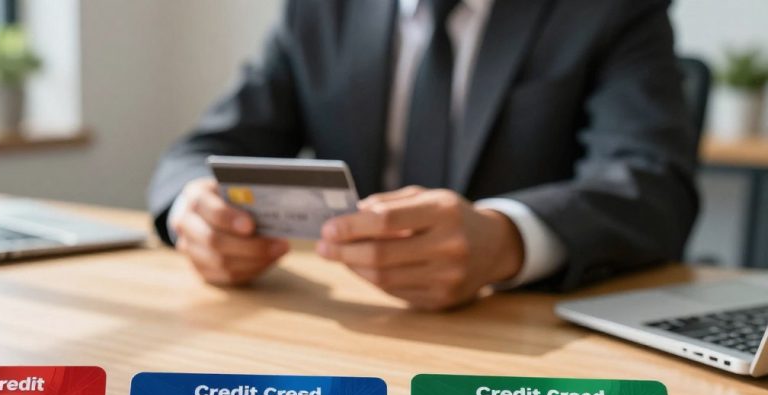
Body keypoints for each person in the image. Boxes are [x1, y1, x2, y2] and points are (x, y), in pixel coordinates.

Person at [147, 0, 699, 310]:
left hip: (523, 337)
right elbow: (205, 148)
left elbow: (653, 184)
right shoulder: (318, 11)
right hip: (343, 323)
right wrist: (192, 208)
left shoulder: (612, 11)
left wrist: (506, 239)